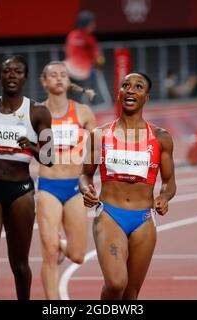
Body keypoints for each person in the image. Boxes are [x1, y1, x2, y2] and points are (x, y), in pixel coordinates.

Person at [79, 72, 176, 300]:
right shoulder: (99, 135)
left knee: (131, 294)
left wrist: (164, 197)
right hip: (110, 215)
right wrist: (87, 191)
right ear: (119, 93)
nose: (131, 90)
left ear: (147, 97)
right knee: (115, 284)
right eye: (126, 85)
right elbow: (84, 176)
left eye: (138, 87)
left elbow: (169, 182)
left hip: (143, 219)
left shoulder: (161, 138)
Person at [0, 55, 54, 300]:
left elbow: (49, 158)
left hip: (21, 191)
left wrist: (31, 146)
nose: (12, 75)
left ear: (25, 77)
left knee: (19, 264)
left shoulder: (39, 112)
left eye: (17, 71)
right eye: (7, 71)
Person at [36, 61, 97, 300]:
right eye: (53, 75)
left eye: (63, 75)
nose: (59, 79)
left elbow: (97, 147)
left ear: (69, 82)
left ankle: (62, 246)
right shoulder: (36, 112)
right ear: (44, 82)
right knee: (48, 253)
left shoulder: (82, 112)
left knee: (78, 255)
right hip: (48, 186)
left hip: (74, 187)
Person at [64, 10, 106, 105]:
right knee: (77, 98)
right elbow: (98, 59)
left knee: (69, 97)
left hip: (68, 70)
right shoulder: (89, 39)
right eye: (92, 23)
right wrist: (100, 62)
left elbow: (67, 51)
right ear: (88, 24)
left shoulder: (72, 35)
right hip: (81, 73)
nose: (94, 25)